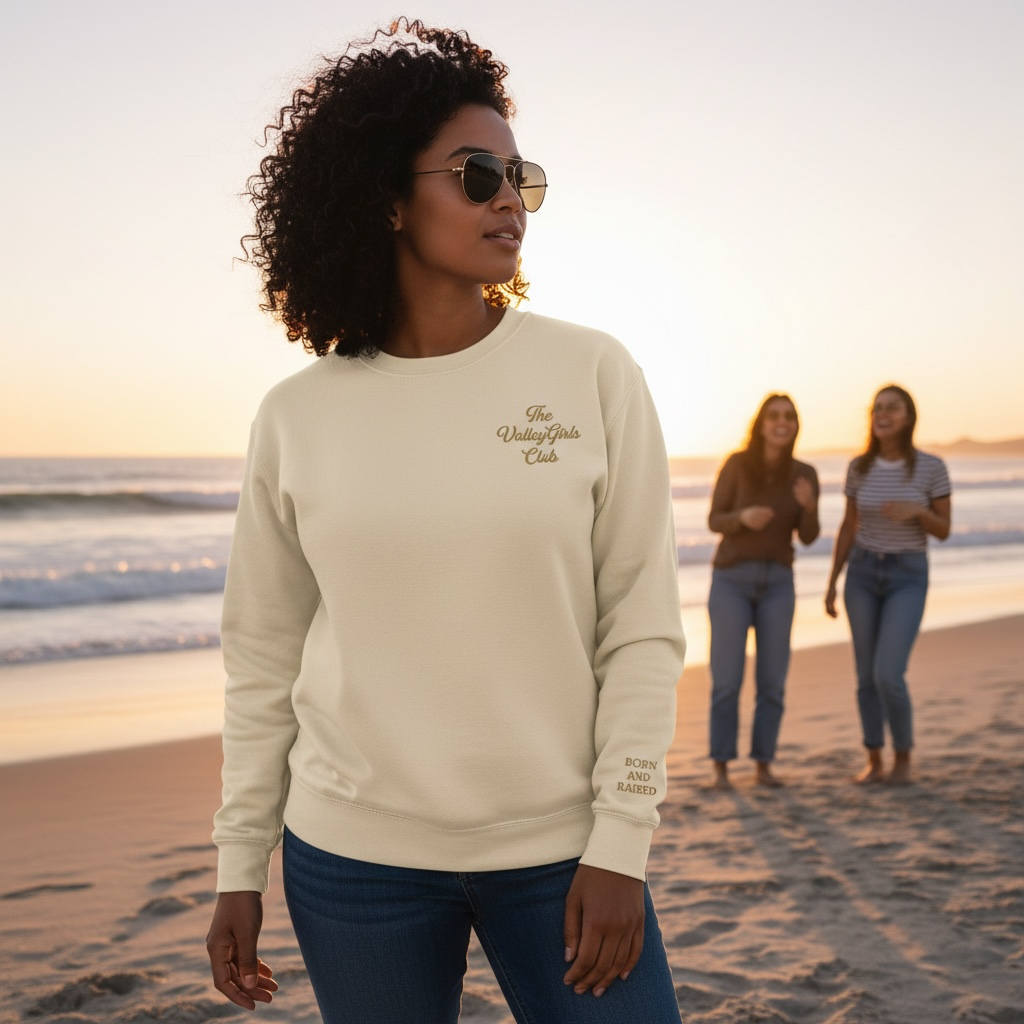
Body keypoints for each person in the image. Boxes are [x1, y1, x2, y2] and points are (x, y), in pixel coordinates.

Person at [204, 20, 686, 1024]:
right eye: (476, 174)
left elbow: (640, 628)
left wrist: (620, 842)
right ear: (385, 197)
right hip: (352, 866)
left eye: (521, 176)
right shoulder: (296, 417)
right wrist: (238, 862)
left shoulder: (592, 373)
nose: (509, 197)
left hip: (561, 856)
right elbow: (263, 656)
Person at [825, 384, 951, 785]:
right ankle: (874, 760)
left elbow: (944, 530)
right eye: (877, 408)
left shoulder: (932, 468)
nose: (883, 414)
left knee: (888, 675)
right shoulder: (858, 468)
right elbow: (848, 526)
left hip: (907, 576)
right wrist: (832, 582)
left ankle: (903, 759)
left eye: (892, 408)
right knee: (865, 677)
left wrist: (918, 511)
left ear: (908, 416)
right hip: (861, 574)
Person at [706, 394, 820, 789]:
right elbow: (714, 519)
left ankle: (763, 765)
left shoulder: (804, 473)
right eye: (774, 416)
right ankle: (721, 767)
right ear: (761, 423)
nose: (781, 422)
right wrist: (742, 517)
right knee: (727, 679)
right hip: (731, 581)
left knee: (772, 681)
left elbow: (808, 537)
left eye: (789, 416)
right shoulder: (738, 464)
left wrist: (808, 507)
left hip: (778, 583)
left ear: (795, 425)